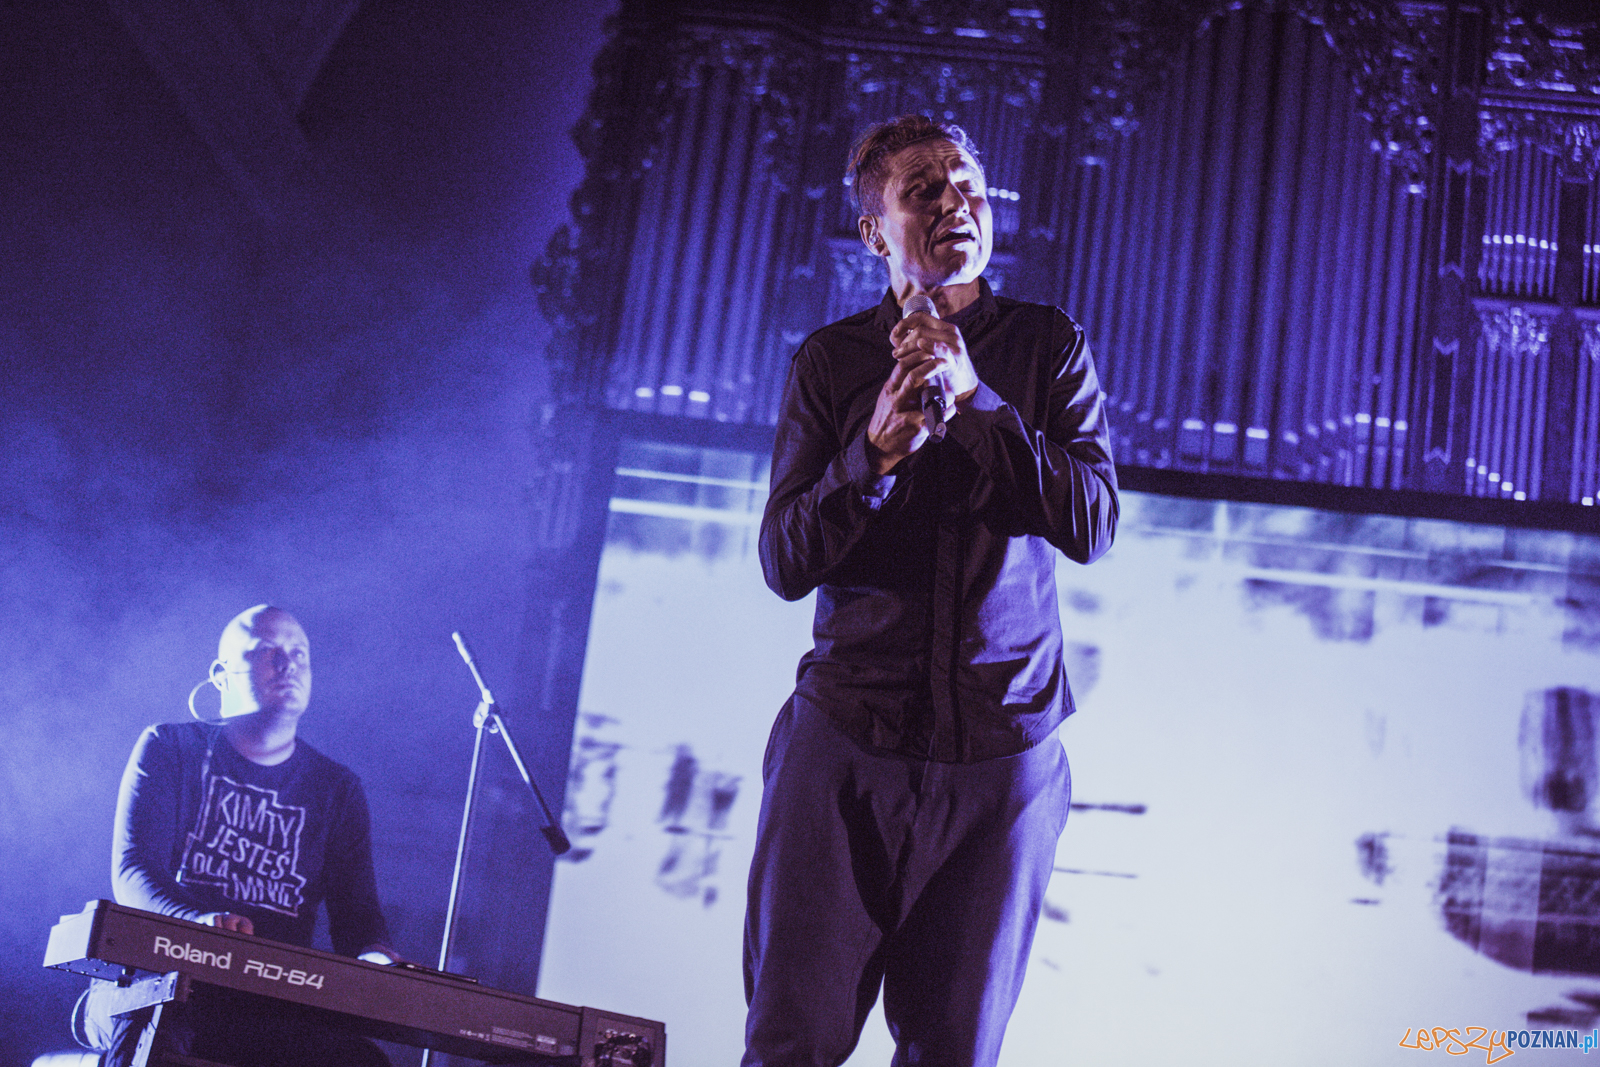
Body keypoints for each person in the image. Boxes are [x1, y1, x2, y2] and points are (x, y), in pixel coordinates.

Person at [744, 115, 1119, 1066]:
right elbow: (785, 561)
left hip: (1002, 760)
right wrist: (869, 456)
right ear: (876, 230)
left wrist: (980, 401)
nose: (957, 205)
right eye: (925, 192)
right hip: (847, 748)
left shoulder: (1045, 347)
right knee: (791, 1044)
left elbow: (1092, 522)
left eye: (970, 187)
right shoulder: (830, 362)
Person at [83, 605, 396, 1067]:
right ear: (222, 673)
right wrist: (198, 923)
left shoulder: (337, 789)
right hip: (161, 984)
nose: (289, 666)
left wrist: (378, 959)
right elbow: (133, 870)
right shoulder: (170, 747)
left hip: (270, 1005)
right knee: (161, 1037)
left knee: (361, 1061)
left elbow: (359, 918)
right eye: (269, 652)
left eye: (300, 654)